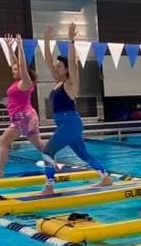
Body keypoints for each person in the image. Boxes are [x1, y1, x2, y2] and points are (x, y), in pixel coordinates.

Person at [39, 23, 111, 195]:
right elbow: (48, 61)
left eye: (59, 67)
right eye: (55, 67)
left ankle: (49, 186)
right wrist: (47, 41)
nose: (55, 68)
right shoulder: (58, 82)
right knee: (84, 155)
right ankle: (105, 178)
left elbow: (72, 62)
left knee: (47, 152)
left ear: (66, 70)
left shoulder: (71, 83)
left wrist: (71, 40)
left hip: (70, 123)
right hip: (68, 124)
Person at [0, 34, 45, 178]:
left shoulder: (25, 82)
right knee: (39, 145)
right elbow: (15, 64)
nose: (13, 71)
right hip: (27, 116)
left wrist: (20, 46)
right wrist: (9, 47)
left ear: (23, 71)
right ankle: (54, 164)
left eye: (15, 70)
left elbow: (21, 65)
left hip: (22, 117)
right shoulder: (18, 82)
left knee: (3, 141)